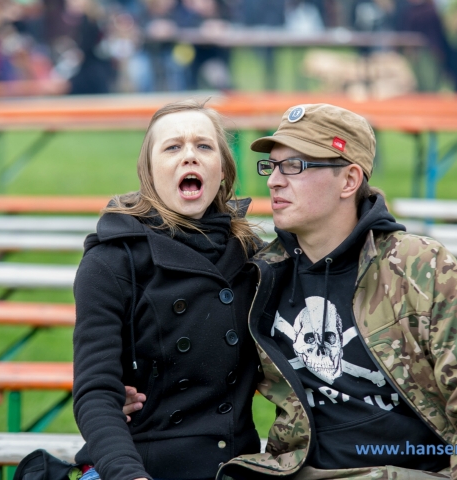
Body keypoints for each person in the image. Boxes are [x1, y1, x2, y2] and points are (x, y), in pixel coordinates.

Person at [214, 104, 457, 480]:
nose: (274, 181)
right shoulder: (262, 275)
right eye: (272, 166)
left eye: (294, 166)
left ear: (349, 180)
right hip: (299, 472)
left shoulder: (419, 267)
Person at [72, 99, 263, 480]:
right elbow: (96, 392)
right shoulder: (112, 260)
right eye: (173, 147)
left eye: (204, 146)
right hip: (142, 462)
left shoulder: (254, 259)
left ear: (223, 170)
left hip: (234, 466)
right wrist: (129, 475)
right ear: (149, 171)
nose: (189, 156)